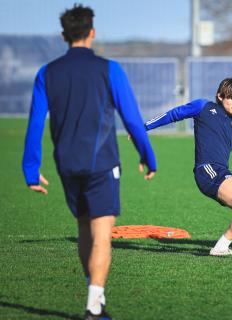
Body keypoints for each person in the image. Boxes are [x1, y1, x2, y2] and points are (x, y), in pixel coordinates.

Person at [22, 4, 157, 319]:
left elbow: (34, 124)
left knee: (84, 228)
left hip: (66, 164)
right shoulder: (110, 69)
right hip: (102, 163)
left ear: (63, 35)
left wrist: (31, 170)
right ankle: (94, 307)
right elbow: (133, 120)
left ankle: (96, 297)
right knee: (101, 232)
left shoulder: (46, 72)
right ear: (92, 32)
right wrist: (147, 156)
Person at [145, 77, 232, 256]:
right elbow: (173, 114)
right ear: (220, 96)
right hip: (207, 170)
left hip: (222, 171)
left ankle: (221, 247)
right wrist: (143, 128)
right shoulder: (203, 107)